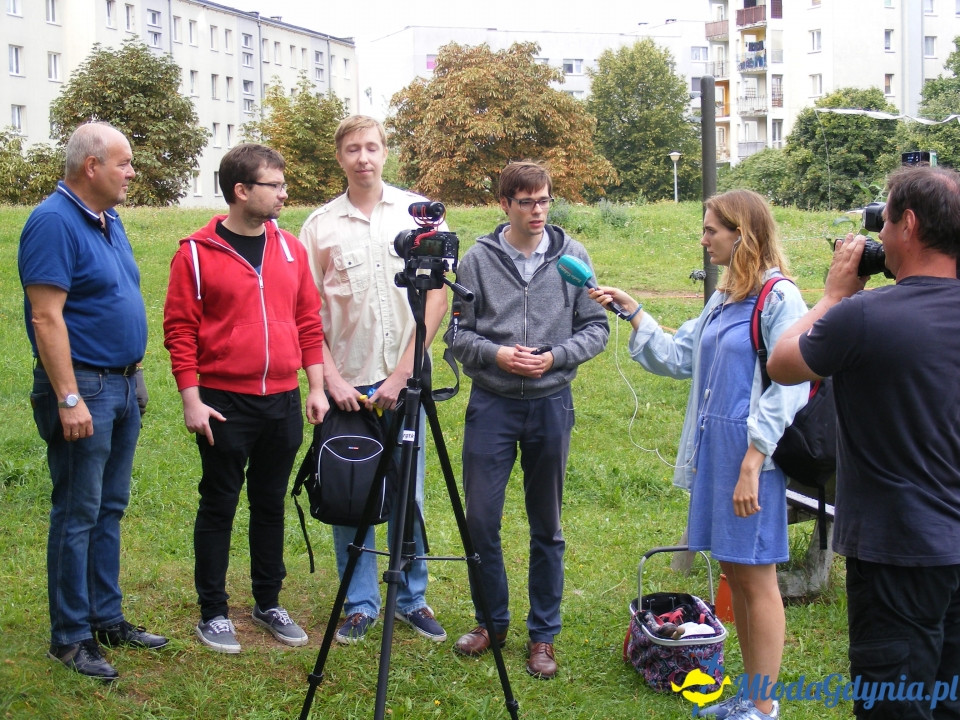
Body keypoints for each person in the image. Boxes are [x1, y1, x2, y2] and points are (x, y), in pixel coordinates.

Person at [589, 189, 809, 718]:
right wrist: (634, 312)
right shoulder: (725, 297)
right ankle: (749, 698)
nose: (703, 238)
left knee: (758, 581)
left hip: (752, 458)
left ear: (742, 234)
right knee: (736, 571)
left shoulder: (780, 299)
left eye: (712, 229)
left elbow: (791, 387)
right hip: (717, 453)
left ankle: (763, 706)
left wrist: (753, 463)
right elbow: (678, 354)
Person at [767, 166, 960, 720]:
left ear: (910, 225)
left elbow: (783, 364)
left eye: (886, 218)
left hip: (899, 550)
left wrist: (833, 295)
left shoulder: (863, 317)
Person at [447, 160, 609, 680]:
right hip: (492, 403)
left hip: (550, 402)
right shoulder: (476, 260)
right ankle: (491, 622)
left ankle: (544, 636)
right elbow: (455, 334)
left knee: (547, 525)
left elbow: (596, 326)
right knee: (481, 520)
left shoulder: (573, 256)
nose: (538, 211)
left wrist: (555, 357)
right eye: (526, 202)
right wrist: (497, 356)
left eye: (544, 201)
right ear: (505, 205)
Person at [163, 143, 328, 653]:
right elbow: (180, 330)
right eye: (274, 185)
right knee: (219, 504)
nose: (284, 193)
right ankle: (212, 611)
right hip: (222, 402)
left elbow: (307, 320)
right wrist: (192, 400)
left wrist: (316, 386)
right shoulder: (194, 251)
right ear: (241, 191)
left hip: (280, 399)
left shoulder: (290, 248)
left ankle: (267, 601)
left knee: (270, 503)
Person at [18, 121, 168, 682]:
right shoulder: (53, 222)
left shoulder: (109, 220)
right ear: (92, 167)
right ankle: (70, 636)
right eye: (124, 163)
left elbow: (114, 296)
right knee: (78, 511)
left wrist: (136, 374)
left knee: (110, 507)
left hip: (122, 384)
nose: (132, 172)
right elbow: (46, 316)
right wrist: (69, 396)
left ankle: (106, 618)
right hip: (86, 389)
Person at [299, 115, 449, 645]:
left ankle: (412, 597)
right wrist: (331, 381)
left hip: (404, 382)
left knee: (408, 493)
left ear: (386, 152)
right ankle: (359, 603)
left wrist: (405, 369)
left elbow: (437, 296)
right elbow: (305, 312)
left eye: (372, 147)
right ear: (339, 157)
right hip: (349, 387)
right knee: (351, 491)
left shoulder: (419, 214)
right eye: (353, 149)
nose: (364, 157)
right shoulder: (318, 226)